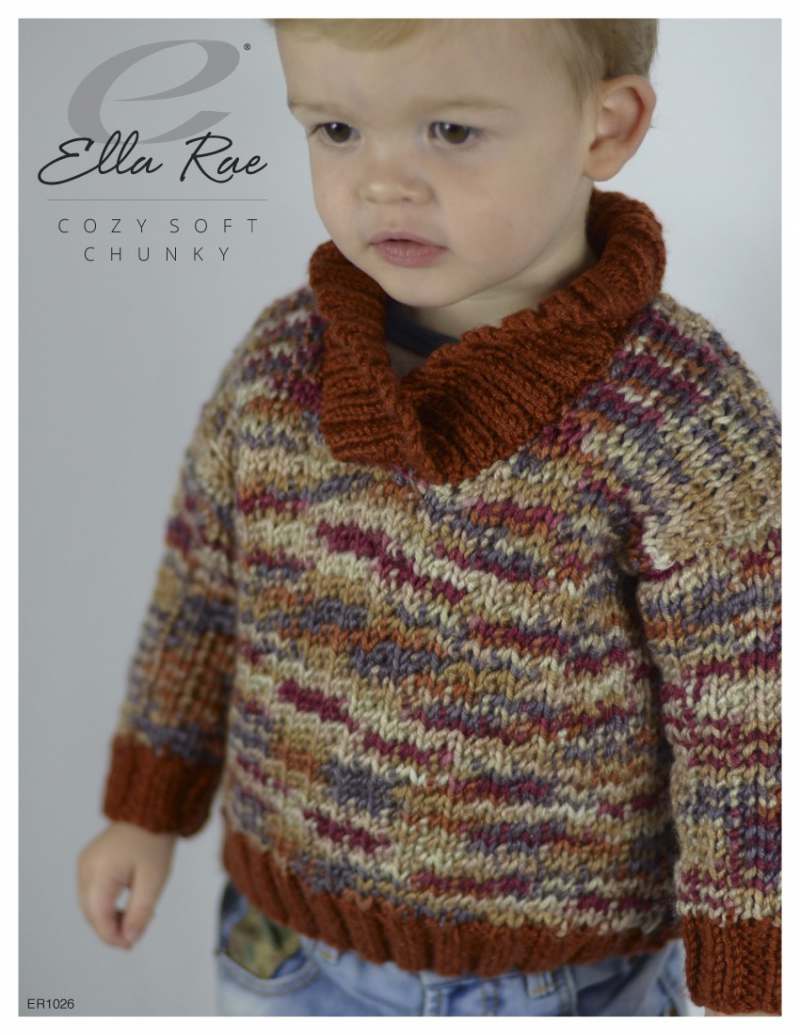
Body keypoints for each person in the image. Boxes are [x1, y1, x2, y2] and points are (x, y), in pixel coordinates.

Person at [76, 18, 781, 1017]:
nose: (379, 184)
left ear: (606, 126)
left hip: (559, 980)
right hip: (281, 944)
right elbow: (199, 592)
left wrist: (750, 960)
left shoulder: (680, 417)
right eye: (335, 130)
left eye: (450, 130)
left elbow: (744, 713)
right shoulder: (283, 364)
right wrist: (146, 806)